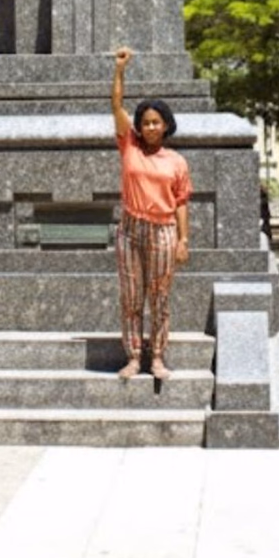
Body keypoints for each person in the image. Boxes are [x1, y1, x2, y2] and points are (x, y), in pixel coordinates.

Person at [111, 47, 192, 383]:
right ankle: (133, 357)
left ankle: (157, 357)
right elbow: (116, 106)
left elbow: (181, 202)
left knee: (158, 297)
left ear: (165, 125)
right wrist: (119, 72)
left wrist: (183, 239)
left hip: (163, 231)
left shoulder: (176, 161)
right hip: (130, 228)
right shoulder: (128, 145)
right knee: (131, 295)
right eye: (145, 122)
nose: (149, 127)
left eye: (156, 122)